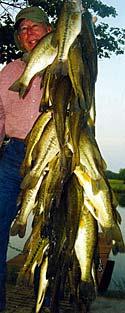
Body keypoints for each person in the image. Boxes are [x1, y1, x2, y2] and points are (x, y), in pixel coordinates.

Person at [0, 6, 52, 313]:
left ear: (49, 31)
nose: (28, 33)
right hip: (13, 155)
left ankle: (49, 298)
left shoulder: (66, 64)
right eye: (22, 29)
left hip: (52, 157)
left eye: (35, 27)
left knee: (53, 230)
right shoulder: (9, 71)